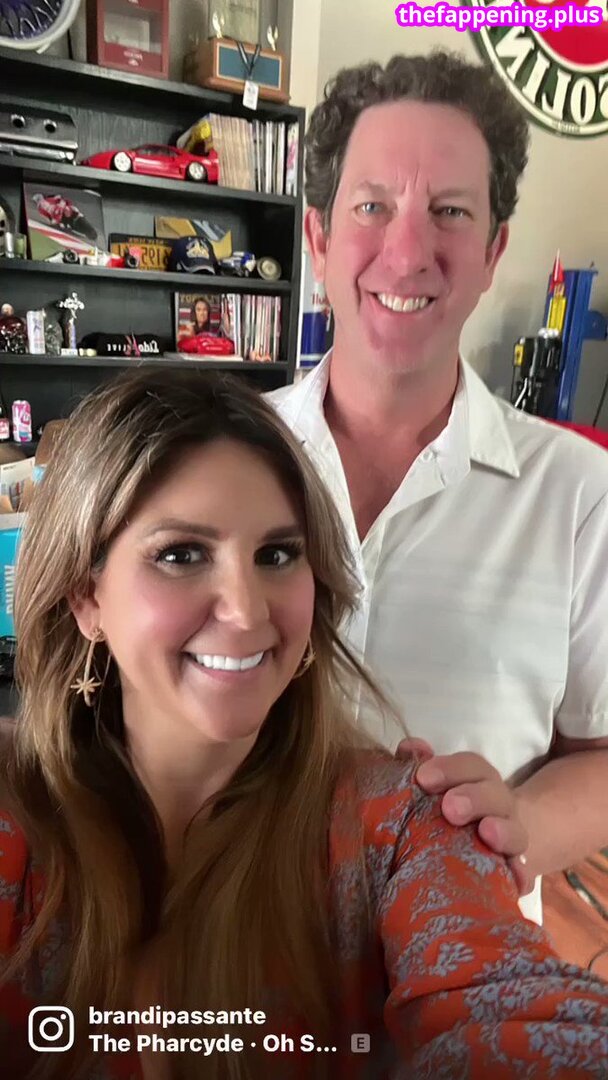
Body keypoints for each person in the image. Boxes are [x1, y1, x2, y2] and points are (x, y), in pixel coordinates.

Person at [1, 368, 607, 1080]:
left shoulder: (403, 826)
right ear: (86, 598)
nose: (246, 610)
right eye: (181, 554)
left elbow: (509, 1012)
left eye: (277, 554)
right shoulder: (17, 816)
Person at [266, 50, 608, 924]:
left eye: (449, 212)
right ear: (318, 238)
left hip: (463, 963)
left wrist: (522, 822)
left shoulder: (581, 494)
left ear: (494, 252)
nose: (408, 252)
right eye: (373, 206)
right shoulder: (217, 459)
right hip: (227, 953)